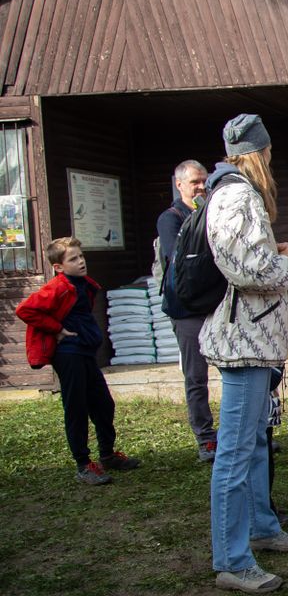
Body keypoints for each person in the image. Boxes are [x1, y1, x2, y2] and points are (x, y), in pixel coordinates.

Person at [202, 114, 288, 595]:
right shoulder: (237, 194)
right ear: (259, 154)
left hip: (255, 342)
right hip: (242, 344)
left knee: (256, 443)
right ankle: (232, 559)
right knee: (236, 452)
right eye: (268, 153)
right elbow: (245, 268)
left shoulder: (230, 193)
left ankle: (262, 528)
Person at [16, 237, 141, 484]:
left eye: (81, 256)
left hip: (85, 352)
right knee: (76, 408)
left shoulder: (82, 284)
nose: (81, 261)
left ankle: (107, 455)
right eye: (73, 259)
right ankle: (83, 465)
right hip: (68, 354)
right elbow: (25, 309)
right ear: (58, 267)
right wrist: (57, 329)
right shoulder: (58, 286)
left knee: (104, 404)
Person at [157, 159, 217, 463]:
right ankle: (205, 439)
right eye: (194, 181)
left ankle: (241, 433)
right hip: (186, 309)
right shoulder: (170, 219)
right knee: (196, 375)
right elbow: (182, 258)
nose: (201, 186)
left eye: (204, 180)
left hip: (213, 303)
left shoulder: (211, 211)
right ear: (178, 184)